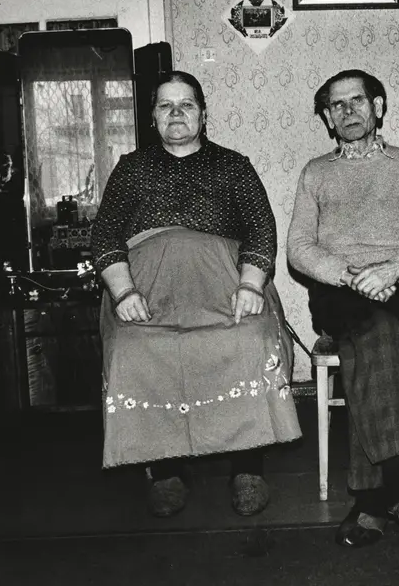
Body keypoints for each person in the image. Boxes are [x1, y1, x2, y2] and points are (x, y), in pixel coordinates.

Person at [91, 71, 301, 519]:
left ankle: (248, 466)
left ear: (203, 115)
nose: (176, 113)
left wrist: (250, 284)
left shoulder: (233, 165)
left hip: (224, 287)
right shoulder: (131, 168)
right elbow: (105, 233)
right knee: (134, 348)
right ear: (153, 117)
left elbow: (261, 229)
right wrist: (124, 291)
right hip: (147, 292)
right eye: (166, 106)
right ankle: (166, 470)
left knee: (249, 339)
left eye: (186, 104)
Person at [286, 69, 399, 548]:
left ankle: (370, 500)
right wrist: (350, 275)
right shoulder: (315, 172)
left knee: (371, 341)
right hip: (340, 288)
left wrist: (393, 270)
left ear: (378, 106)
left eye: (357, 101)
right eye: (336, 106)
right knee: (375, 331)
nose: (348, 112)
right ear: (326, 117)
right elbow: (299, 247)